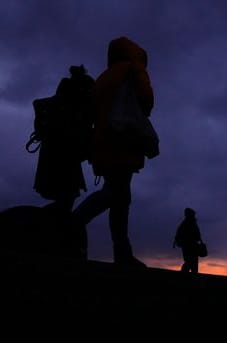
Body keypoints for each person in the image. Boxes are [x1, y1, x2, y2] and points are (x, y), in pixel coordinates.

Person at [70, 36, 154, 267]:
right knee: (117, 194)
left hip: (103, 141)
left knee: (120, 197)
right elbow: (147, 100)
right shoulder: (132, 70)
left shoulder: (104, 77)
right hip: (124, 140)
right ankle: (72, 225)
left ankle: (122, 252)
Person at [33, 64, 95, 217]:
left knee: (66, 199)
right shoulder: (74, 102)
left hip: (57, 155)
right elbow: (77, 134)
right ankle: (45, 225)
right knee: (67, 198)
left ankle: (47, 226)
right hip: (63, 157)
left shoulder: (62, 99)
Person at [173, 208, 203, 274]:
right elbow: (197, 236)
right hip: (190, 246)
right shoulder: (190, 224)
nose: (194, 216)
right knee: (191, 263)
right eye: (193, 214)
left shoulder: (185, 224)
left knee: (190, 263)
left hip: (188, 246)